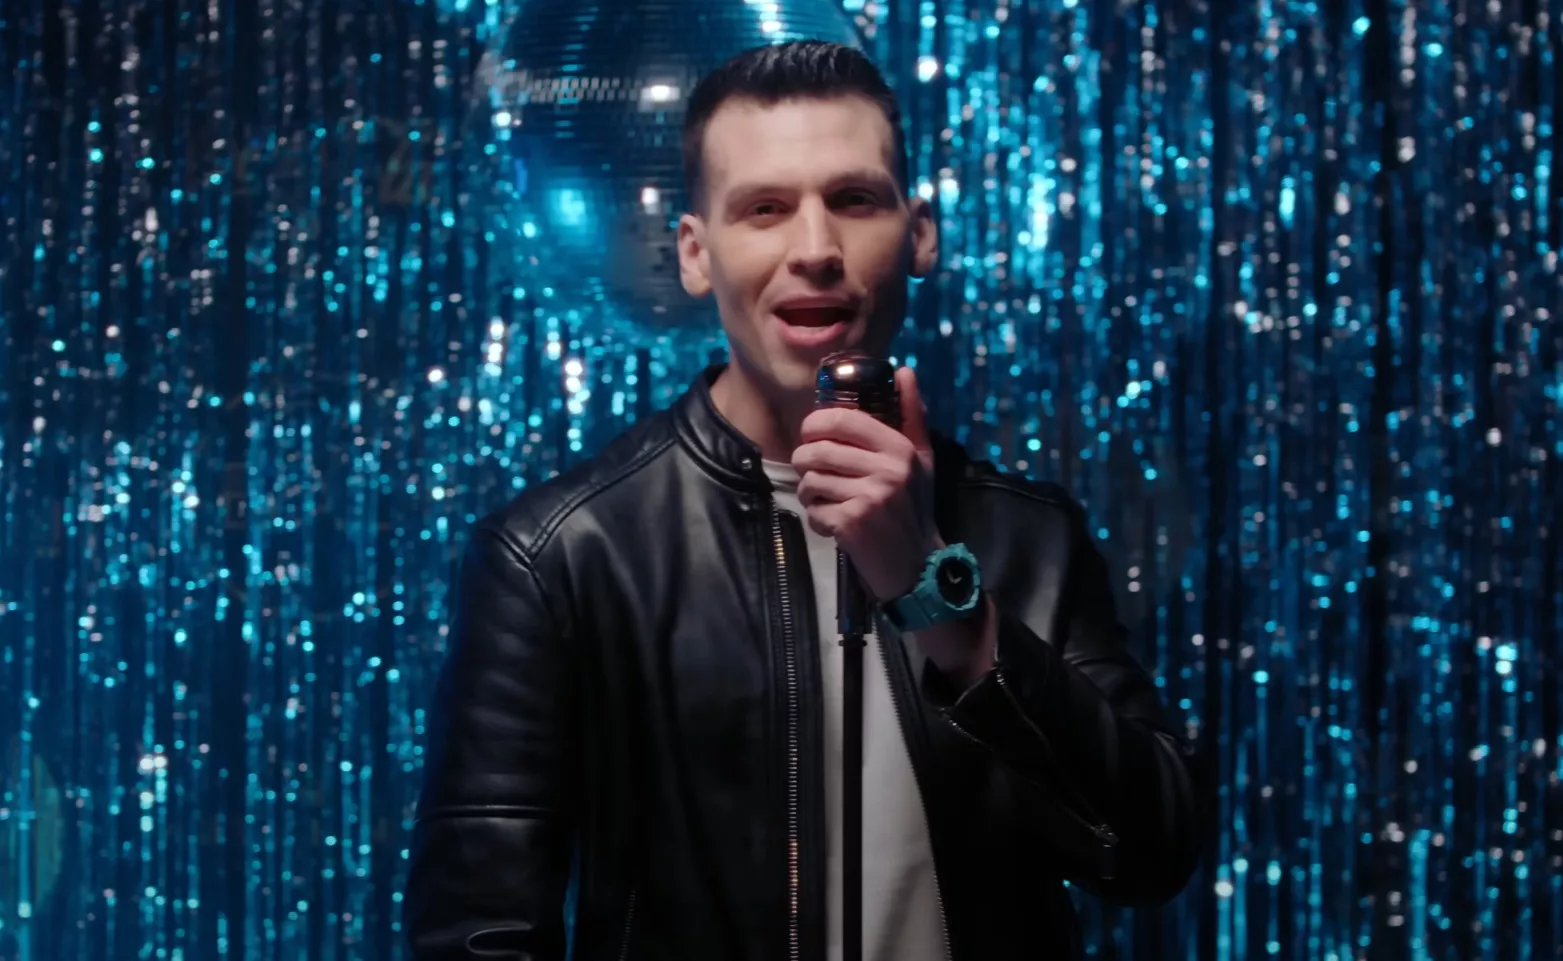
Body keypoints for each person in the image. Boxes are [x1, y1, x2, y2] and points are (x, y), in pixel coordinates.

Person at [404, 40, 1201, 961]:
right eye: (764, 209)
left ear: (920, 234)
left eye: (854, 200)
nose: (815, 250)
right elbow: (477, 935)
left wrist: (940, 598)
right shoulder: (562, 554)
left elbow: (1150, 850)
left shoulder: (1033, 535)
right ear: (695, 254)